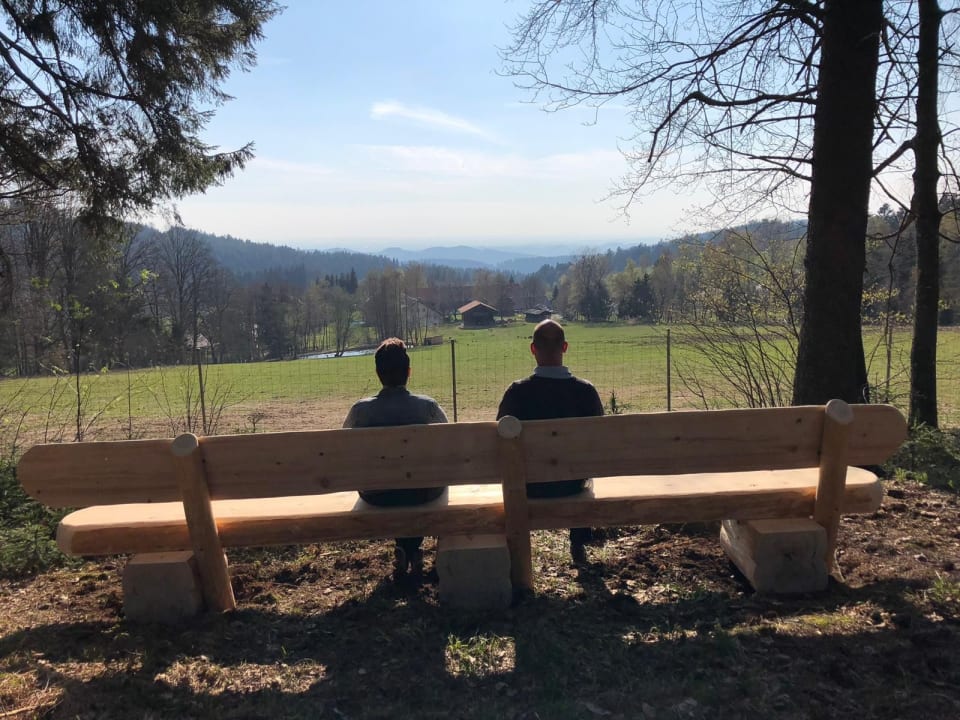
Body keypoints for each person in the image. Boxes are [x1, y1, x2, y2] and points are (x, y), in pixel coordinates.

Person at [497, 319, 604, 564]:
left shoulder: (516, 393)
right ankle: (578, 541)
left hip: (527, 486)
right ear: (564, 347)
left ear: (533, 349)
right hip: (573, 484)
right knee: (582, 466)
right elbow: (598, 445)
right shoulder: (586, 392)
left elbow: (498, 442)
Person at [343, 337, 448, 578]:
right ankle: (411, 548)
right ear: (409, 372)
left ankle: (405, 549)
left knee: (396, 486)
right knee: (418, 484)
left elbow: (343, 450)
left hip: (376, 494)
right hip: (424, 491)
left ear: (378, 373)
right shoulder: (427, 407)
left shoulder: (360, 412)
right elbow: (450, 446)